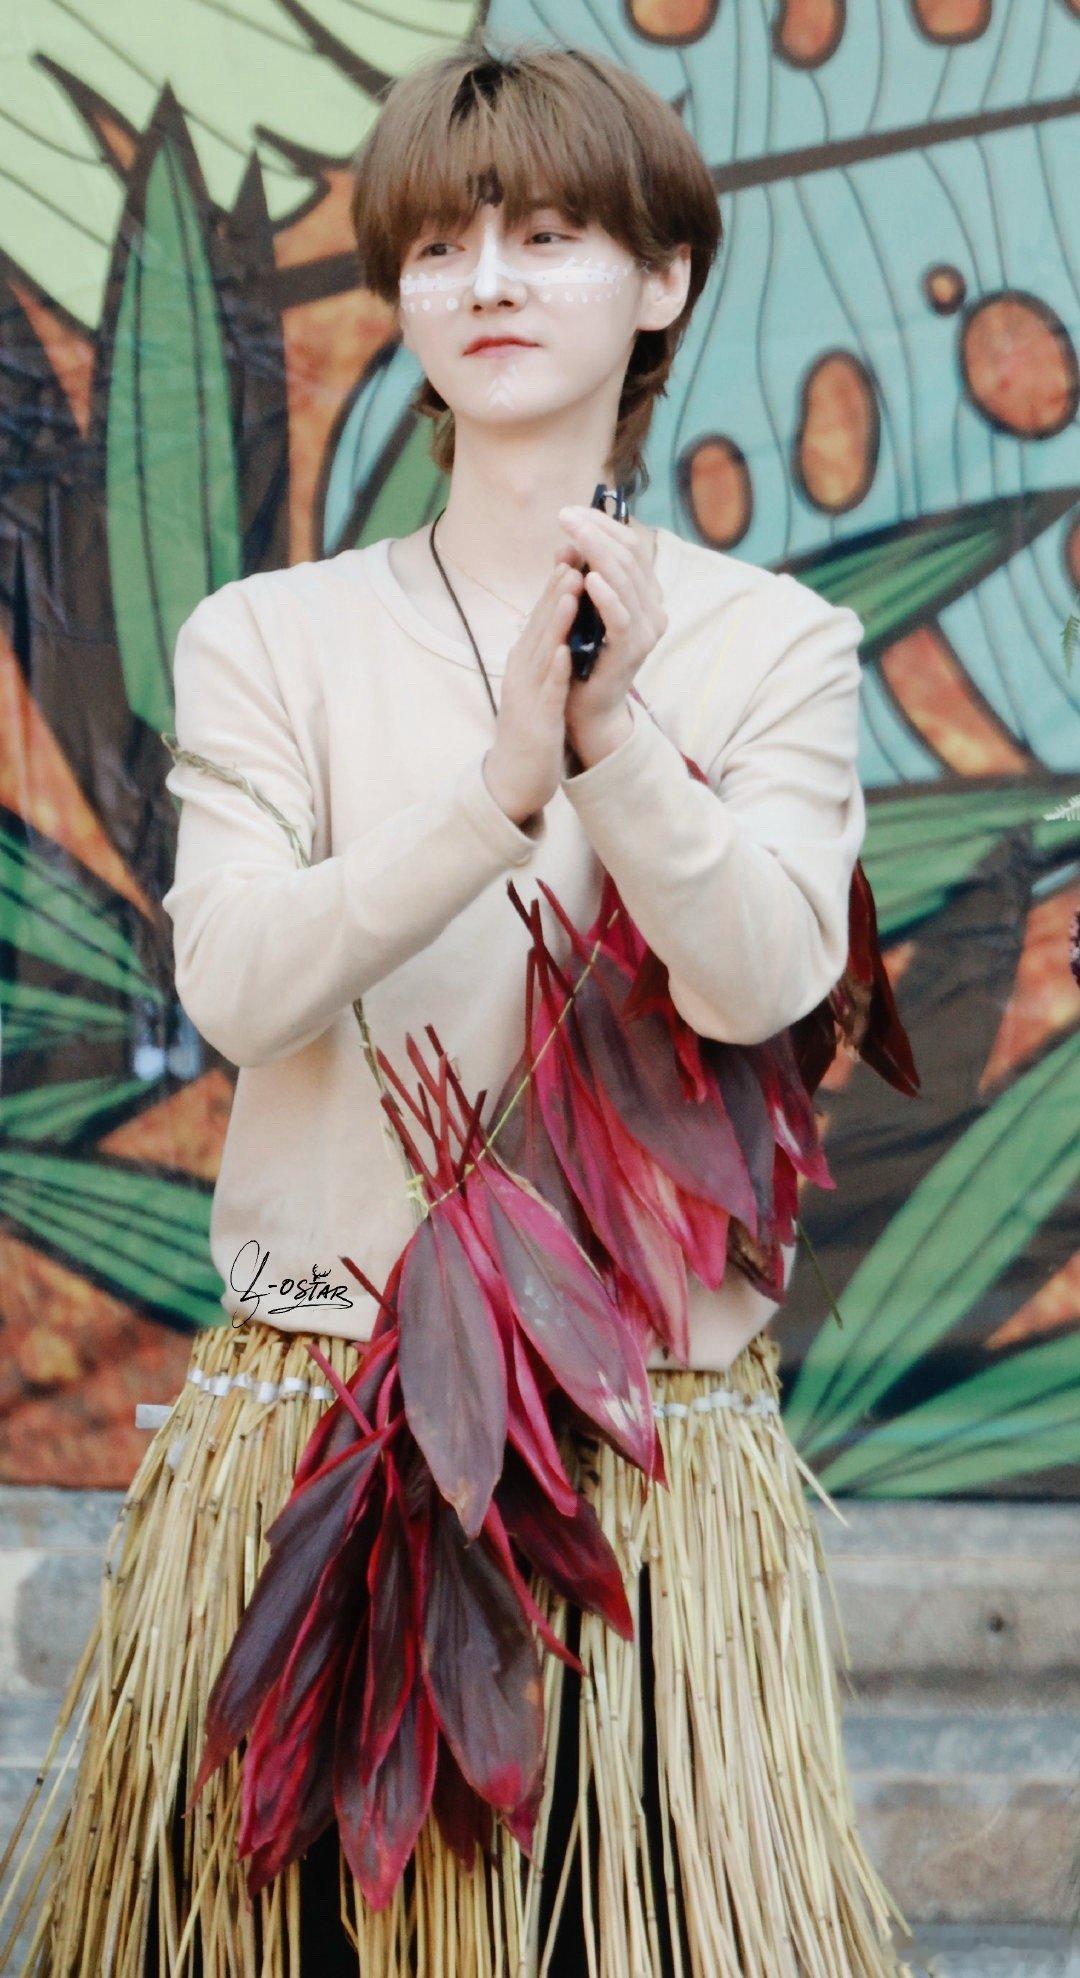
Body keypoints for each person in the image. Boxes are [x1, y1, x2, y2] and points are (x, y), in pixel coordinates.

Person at [1, 39, 918, 1977]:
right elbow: (238, 984)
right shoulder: (272, 637)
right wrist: (493, 792)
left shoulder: (775, 642)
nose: (487, 280)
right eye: (440, 244)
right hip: (314, 1447)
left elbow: (766, 970)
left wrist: (614, 745)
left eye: (551, 233)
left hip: (642, 1496)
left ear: (662, 280)